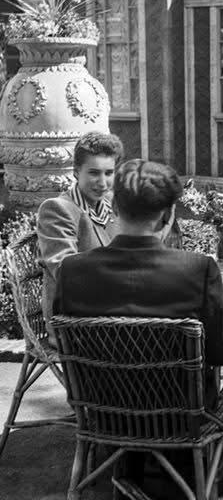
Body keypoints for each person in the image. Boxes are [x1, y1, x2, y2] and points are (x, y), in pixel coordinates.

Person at [52, 158, 223, 408]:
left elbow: (65, 344)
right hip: (181, 414)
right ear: (167, 214)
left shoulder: (71, 270)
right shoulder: (197, 270)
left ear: (114, 207)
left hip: (101, 411)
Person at [37, 131, 124, 342]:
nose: (102, 183)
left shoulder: (112, 204)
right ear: (76, 172)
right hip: (74, 325)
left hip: (114, 315)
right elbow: (66, 273)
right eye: (94, 173)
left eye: (109, 173)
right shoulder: (58, 209)